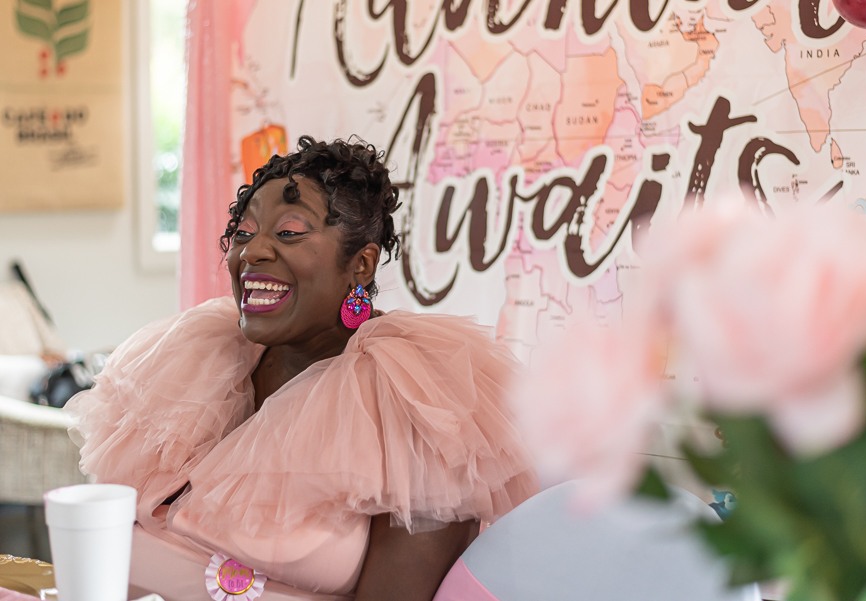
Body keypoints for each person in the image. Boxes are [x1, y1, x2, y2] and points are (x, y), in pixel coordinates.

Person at [65, 136, 539, 601]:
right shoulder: (193, 359)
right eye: (244, 233)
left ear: (362, 265)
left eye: (289, 232)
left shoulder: (420, 404)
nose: (252, 252)